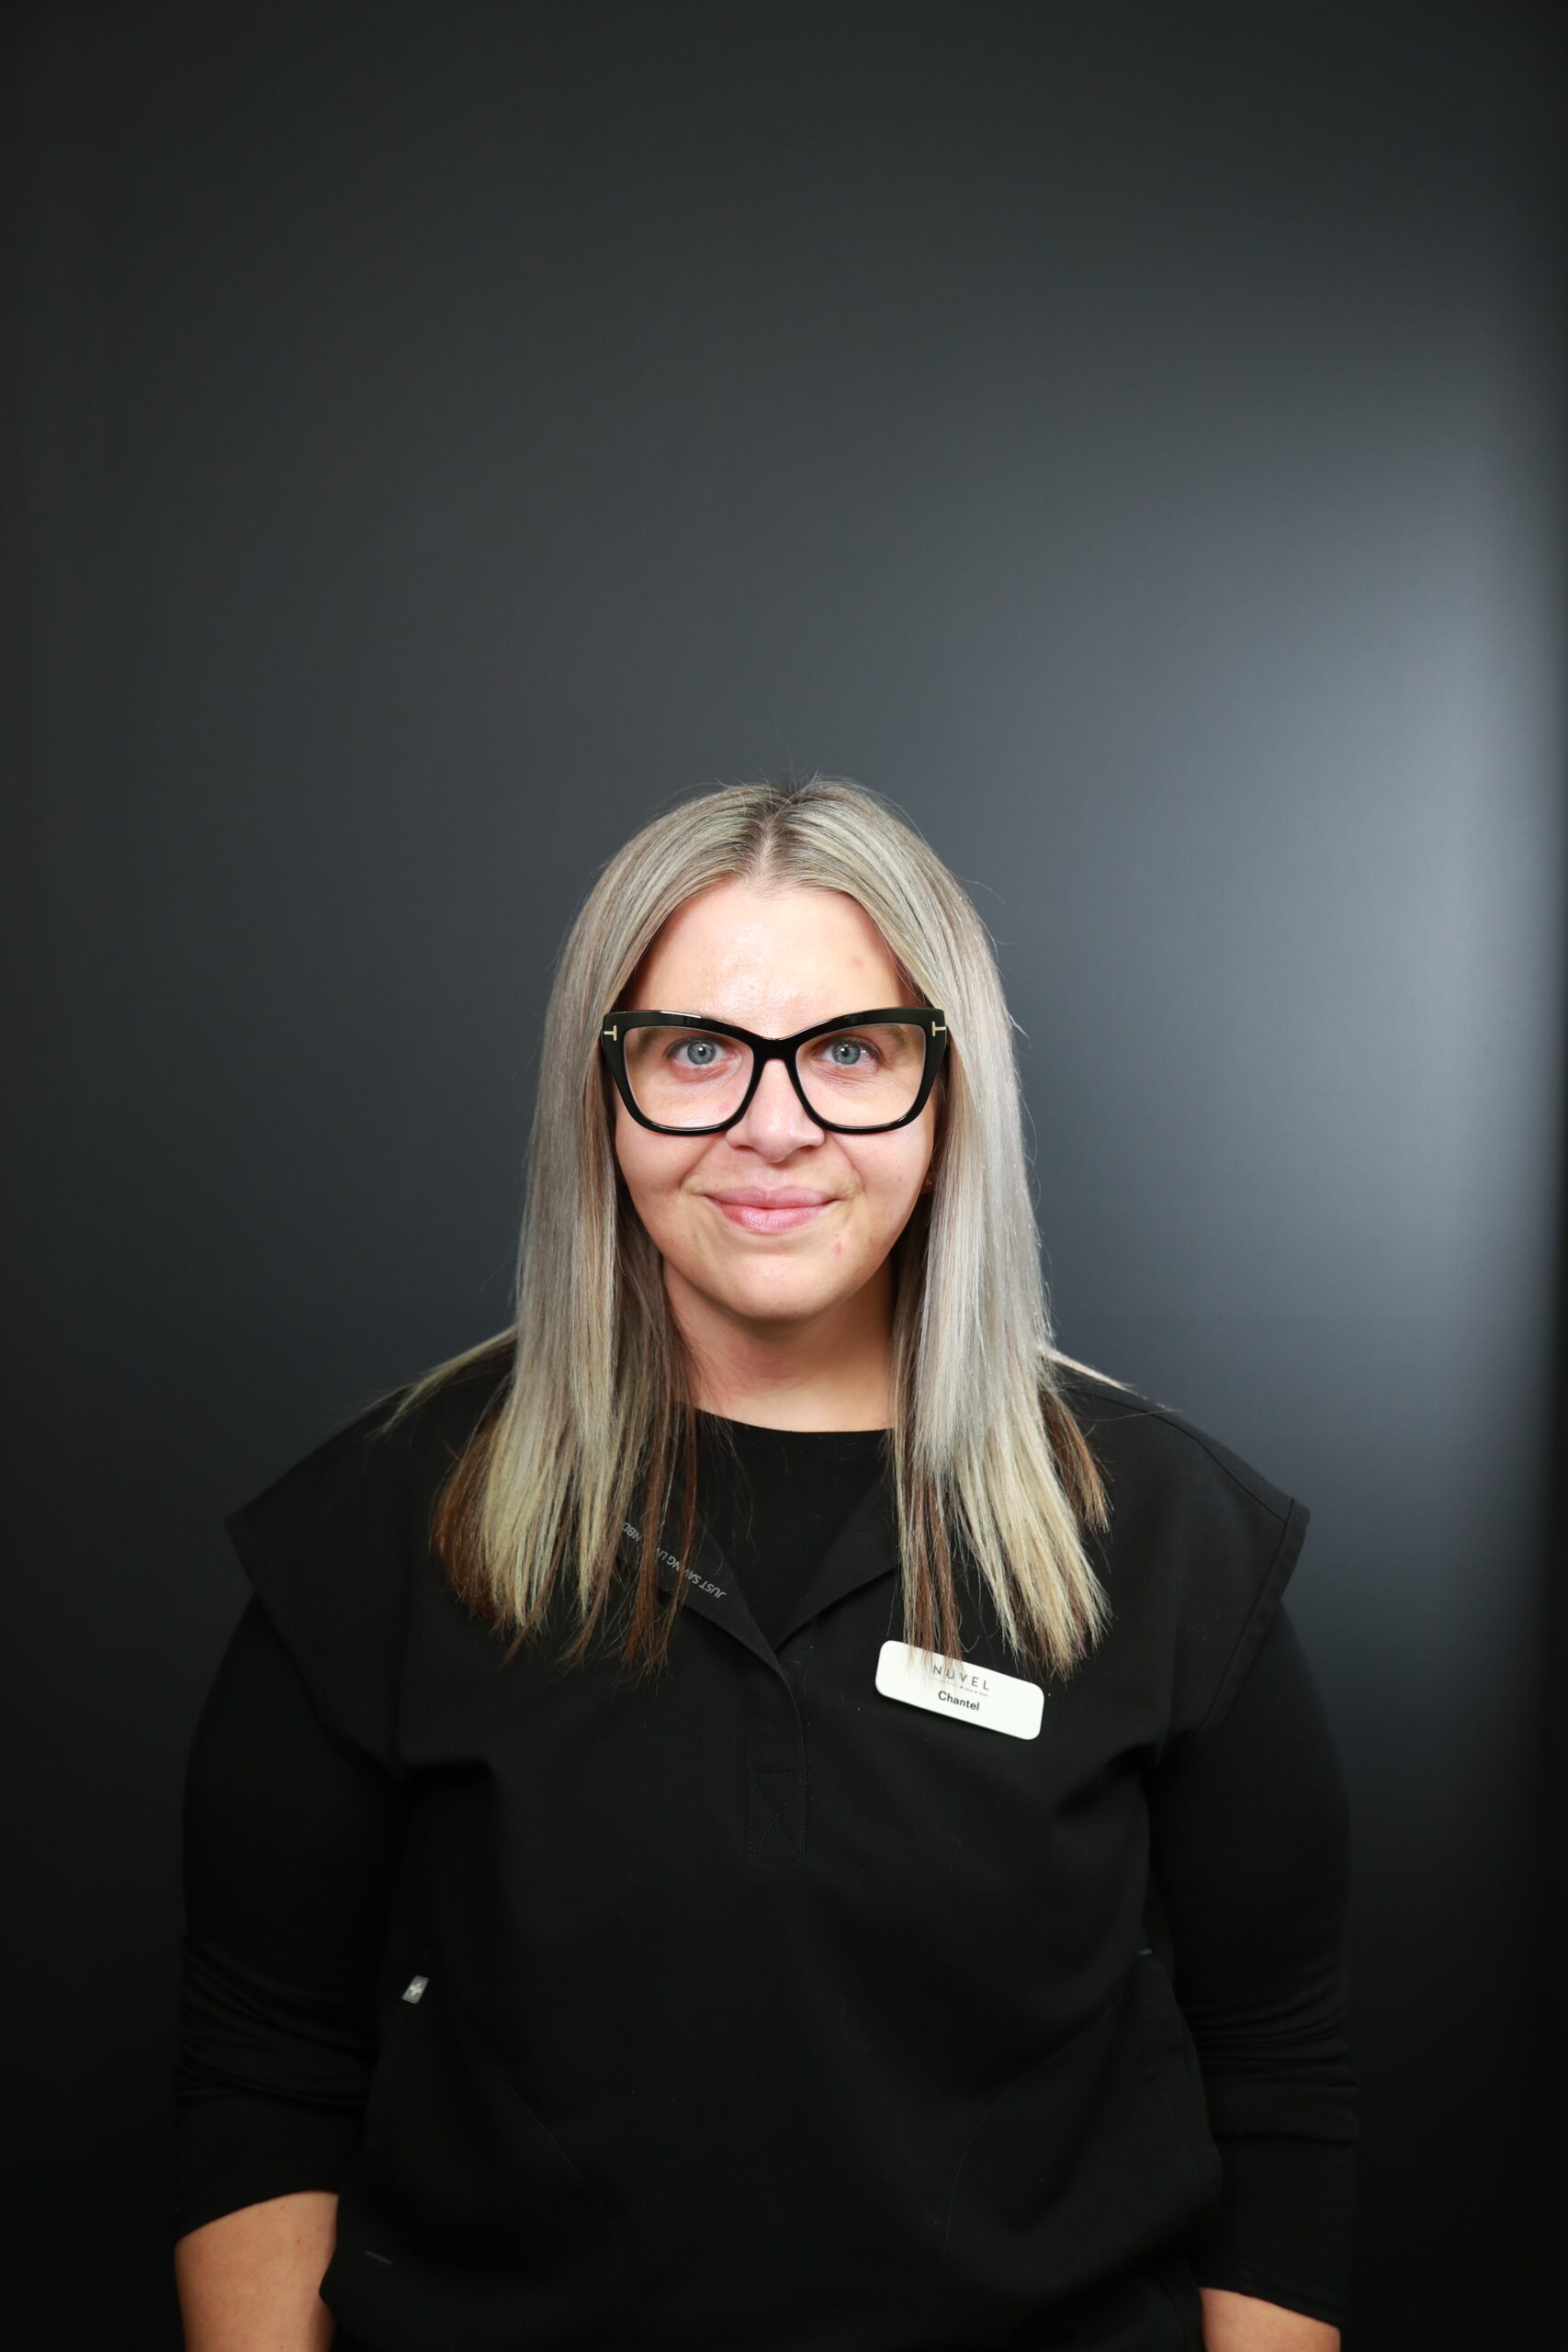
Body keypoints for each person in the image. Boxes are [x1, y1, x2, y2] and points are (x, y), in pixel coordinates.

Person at [171, 774, 1358, 2352]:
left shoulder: (1166, 1533)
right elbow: (265, 2062)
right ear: (601, 1091)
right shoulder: (395, 1518)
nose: (773, 1123)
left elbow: (1277, 2079)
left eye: (852, 1051)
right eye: (696, 1051)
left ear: (949, 1095)